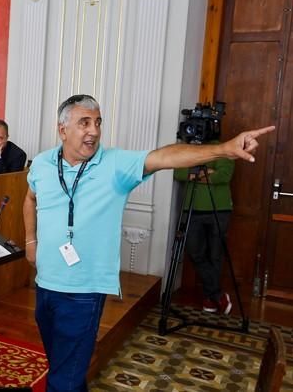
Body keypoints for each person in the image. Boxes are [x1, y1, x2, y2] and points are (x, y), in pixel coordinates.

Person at [23, 94, 274, 392]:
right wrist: (30, 240)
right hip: (46, 283)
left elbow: (166, 157)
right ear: (63, 130)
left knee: (62, 380)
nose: (94, 130)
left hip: (84, 290)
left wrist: (223, 149)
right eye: (84, 123)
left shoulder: (115, 164)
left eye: (98, 122)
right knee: (65, 366)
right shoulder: (41, 164)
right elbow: (30, 198)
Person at [174, 151, 234, 315]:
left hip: (220, 209)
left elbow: (223, 175)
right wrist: (208, 173)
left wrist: (194, 175)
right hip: (192, 208)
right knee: (194, 252)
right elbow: (179, 172)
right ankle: (218, 295)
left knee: (215, 254)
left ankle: (209, 297)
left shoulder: (224, 148)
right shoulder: (189, 148)